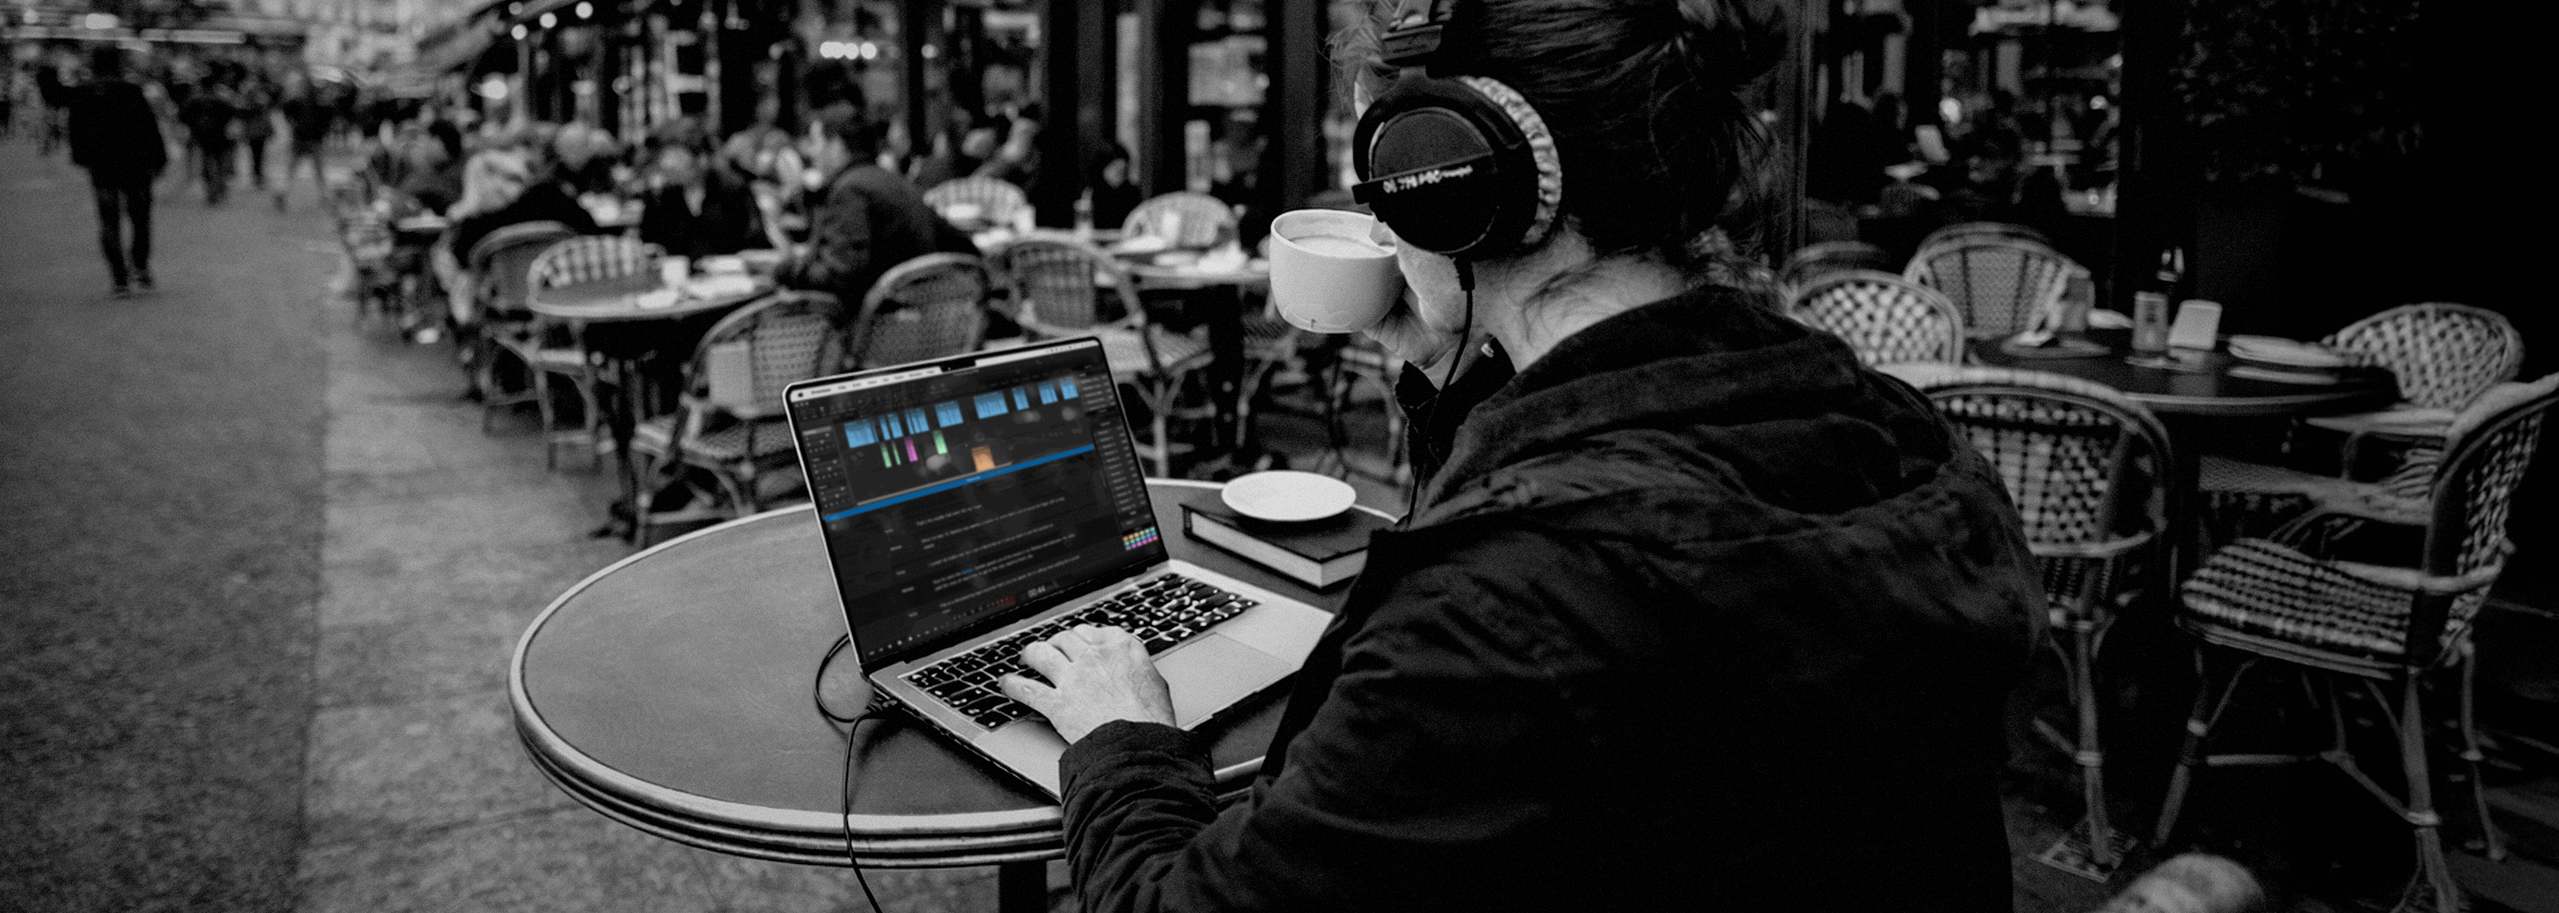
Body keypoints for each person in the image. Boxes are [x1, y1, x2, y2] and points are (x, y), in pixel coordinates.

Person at [989, 2, 2045, 911]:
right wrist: (1458, 382)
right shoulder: (1885, 431)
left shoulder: (1503, 612)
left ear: (1451, 185)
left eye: (1385, 190)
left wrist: (1124, 741)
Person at [778, 107, 976, 306]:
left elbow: (841, 274)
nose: (811, 152)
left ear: (837, 145)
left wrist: (785, 270)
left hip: (881, 326)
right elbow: (964, 248)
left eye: (815, 142)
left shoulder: (850, 190)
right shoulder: (894, 182)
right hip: (934, 318)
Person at [67, 46, 168, 297]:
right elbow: (148, 127)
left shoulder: (82, 92)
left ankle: (119, 278)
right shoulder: (131, 90)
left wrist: (83, 158)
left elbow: (75, 130)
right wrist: (158, 159)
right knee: (140, 217)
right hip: (135, 164)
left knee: (108, 219)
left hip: (101, 166)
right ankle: (140, 266)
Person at [638, 121, 762, 259]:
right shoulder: (661, 196)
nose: (668, 165)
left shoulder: (732, 190)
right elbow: (649, 240)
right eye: (664, 156)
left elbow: (754, 241)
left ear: (701, 159)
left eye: (677, 157)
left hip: (728, 275)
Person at [180, 75, 239, 205]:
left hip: (202, 136)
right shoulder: (222, 100)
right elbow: (231, 114)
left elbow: (183, 116)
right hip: (220, 135)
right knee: (219, 161)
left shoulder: (194, 100)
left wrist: (194, 127)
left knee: (206, 161)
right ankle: (219, 185)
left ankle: (210, 189)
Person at [1086, 142, 1143, 231]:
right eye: (1115, 170)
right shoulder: (1092, 192)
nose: (1119, 176)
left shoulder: (1131, 192)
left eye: (1123, 172)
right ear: (1102, 168)